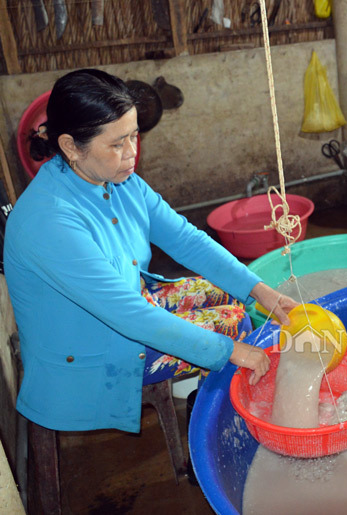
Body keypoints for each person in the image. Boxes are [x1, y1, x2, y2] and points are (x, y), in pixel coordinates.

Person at [4, 68, 298, 434]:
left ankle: (206, 401)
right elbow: (129, 316)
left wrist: (261, 291)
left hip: (129, 306)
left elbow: (187, 240)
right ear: (69, 147)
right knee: (235, 326)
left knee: (233, 296)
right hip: (94, 350)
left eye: (134, 136)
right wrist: (233, 351)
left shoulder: (117, 180)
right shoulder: (50, 221)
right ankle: (214, 428)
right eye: (116, 144)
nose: (131, 154)